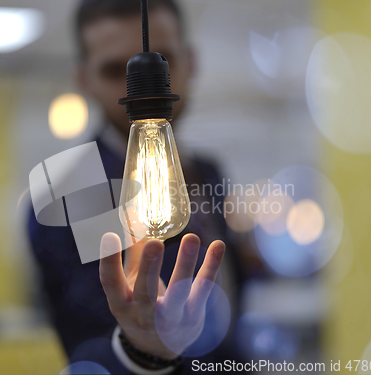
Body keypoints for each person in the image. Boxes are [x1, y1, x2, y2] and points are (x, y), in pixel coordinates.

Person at [28, 0, 249, 373]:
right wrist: (143, 349)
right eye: (116, 70)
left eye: (161, 60)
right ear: (84, 80)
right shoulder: (69, 191)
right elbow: (88, 335)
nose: (137, 84)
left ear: (190, 63)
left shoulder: (207, 171)